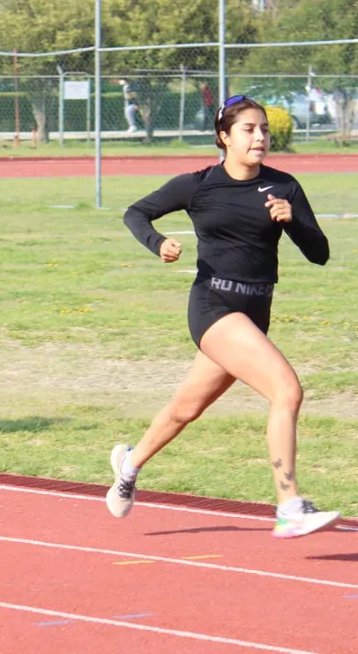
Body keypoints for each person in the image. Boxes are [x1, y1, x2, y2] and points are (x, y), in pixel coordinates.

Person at [107, 95, 338, 539]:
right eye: (248, 129)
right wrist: (158, 243)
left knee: (185, 409)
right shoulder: (198, 185)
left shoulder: (284, 186)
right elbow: (136, 213)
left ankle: (129, 465)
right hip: (213, 307)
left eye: (264, 129)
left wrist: (293, 222)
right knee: (287, 391)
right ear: (224, 137)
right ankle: (290, 507)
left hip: (255, 312)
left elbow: (320, 254)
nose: (259, 137)